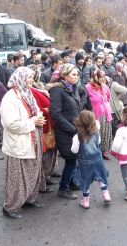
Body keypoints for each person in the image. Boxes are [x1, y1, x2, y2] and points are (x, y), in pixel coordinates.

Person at [0, 67, 45, 219]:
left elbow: (37, 110)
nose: (32, 80)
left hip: (32, 139)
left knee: (33, 170)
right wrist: (34, 121)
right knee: (17, 177)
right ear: (20, 79)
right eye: (29, 78)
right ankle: (10, 207)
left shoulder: (27, 93)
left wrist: (38, 117)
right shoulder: (10, 98)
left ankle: (29, 199)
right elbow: (11, 124)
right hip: (18, 143)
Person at [49, 64, 82, 200]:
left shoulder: (70, 88)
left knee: (75, 159)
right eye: (74, 74)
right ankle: (63, 188)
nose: (76, 77)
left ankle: (72, 182)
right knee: (71, 160)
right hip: (65, 132)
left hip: (74, 130)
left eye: (77, 74)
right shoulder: (58, 90)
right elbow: (55, 114)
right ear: (65, 75)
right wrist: (72, 128)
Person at [71, 110, 110, 209]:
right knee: (101, 177)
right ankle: (106, 194)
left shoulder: (77, 137)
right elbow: (98, 143)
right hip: (97, 159)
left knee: (85, 181)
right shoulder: (96, 134)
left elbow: (74, 150)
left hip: (85, 162)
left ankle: (85, 201)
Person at [86, 70, 112, 160]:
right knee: (96, 134)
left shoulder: (104, 86)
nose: (103, 79)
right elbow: (86, 100)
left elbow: (109, 97)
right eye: (101, 77)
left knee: (105, 133)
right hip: (95, 115)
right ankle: (95, 152)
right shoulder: (88, 87)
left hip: (106, 113)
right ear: (95, 77)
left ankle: (103, 151)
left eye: (103, 77)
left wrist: (106, 106)